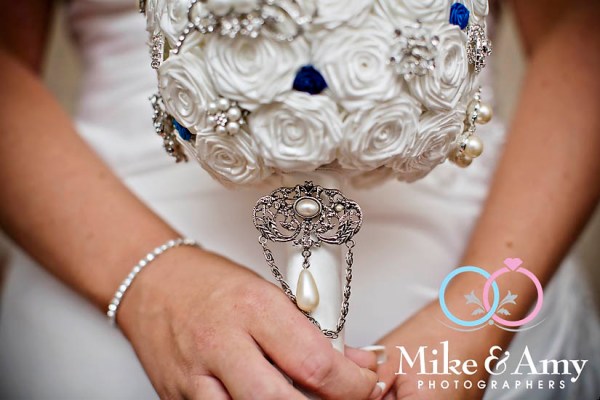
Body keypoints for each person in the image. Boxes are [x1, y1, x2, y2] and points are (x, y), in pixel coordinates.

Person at [0, 0, 598, 399]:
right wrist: (152, 286)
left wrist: (475, 319)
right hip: (110, 262)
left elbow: (579, 32)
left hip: (478, 279)